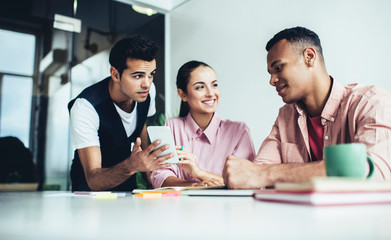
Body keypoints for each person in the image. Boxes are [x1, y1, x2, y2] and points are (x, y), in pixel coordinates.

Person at [223, 26, 391, 189]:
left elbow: (374, 171)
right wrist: (257, 175)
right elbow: (255, 176)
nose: (272, 80)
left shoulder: (372, 102)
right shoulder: (285, 117)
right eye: (270, 73)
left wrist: (266, 174)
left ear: (309, 56)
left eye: (279, 67)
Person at [68, 35, 174, 191]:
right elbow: (94, 179)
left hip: (126, 184)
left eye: (151, 74)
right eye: (137, 76)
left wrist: (150, 173)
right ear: (115, 74)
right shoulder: (85, 107)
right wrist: (132, 165)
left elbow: (141, 124)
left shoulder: (147, 92)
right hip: (89, 192)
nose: (146, 83)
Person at [151, 61, 255, 188]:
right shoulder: (172, 126)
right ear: (183, 94)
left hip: (225, 206)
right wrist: (195, 185)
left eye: (214, 85)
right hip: (180, 206)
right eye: (200, 87)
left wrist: (200, 173)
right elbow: (160, 176)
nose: (211, 93)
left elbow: (248, 182)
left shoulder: (239, 131)